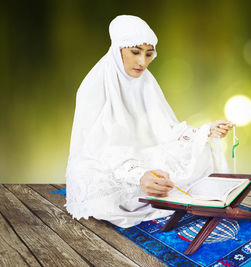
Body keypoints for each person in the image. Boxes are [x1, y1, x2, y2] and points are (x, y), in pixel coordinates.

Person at [65, 15, 233, 228]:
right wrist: (137, 175)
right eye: (135, 52)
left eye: (149, 54)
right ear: (118, 49)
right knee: (107, 194)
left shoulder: (146, 82)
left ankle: (169, 193)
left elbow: (166, 130)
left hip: (143, 156)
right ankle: (157, 192)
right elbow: (96, 149)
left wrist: (204, 131)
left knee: (203, 152)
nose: (142, 62)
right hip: (105, 165)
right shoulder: (93, 86)